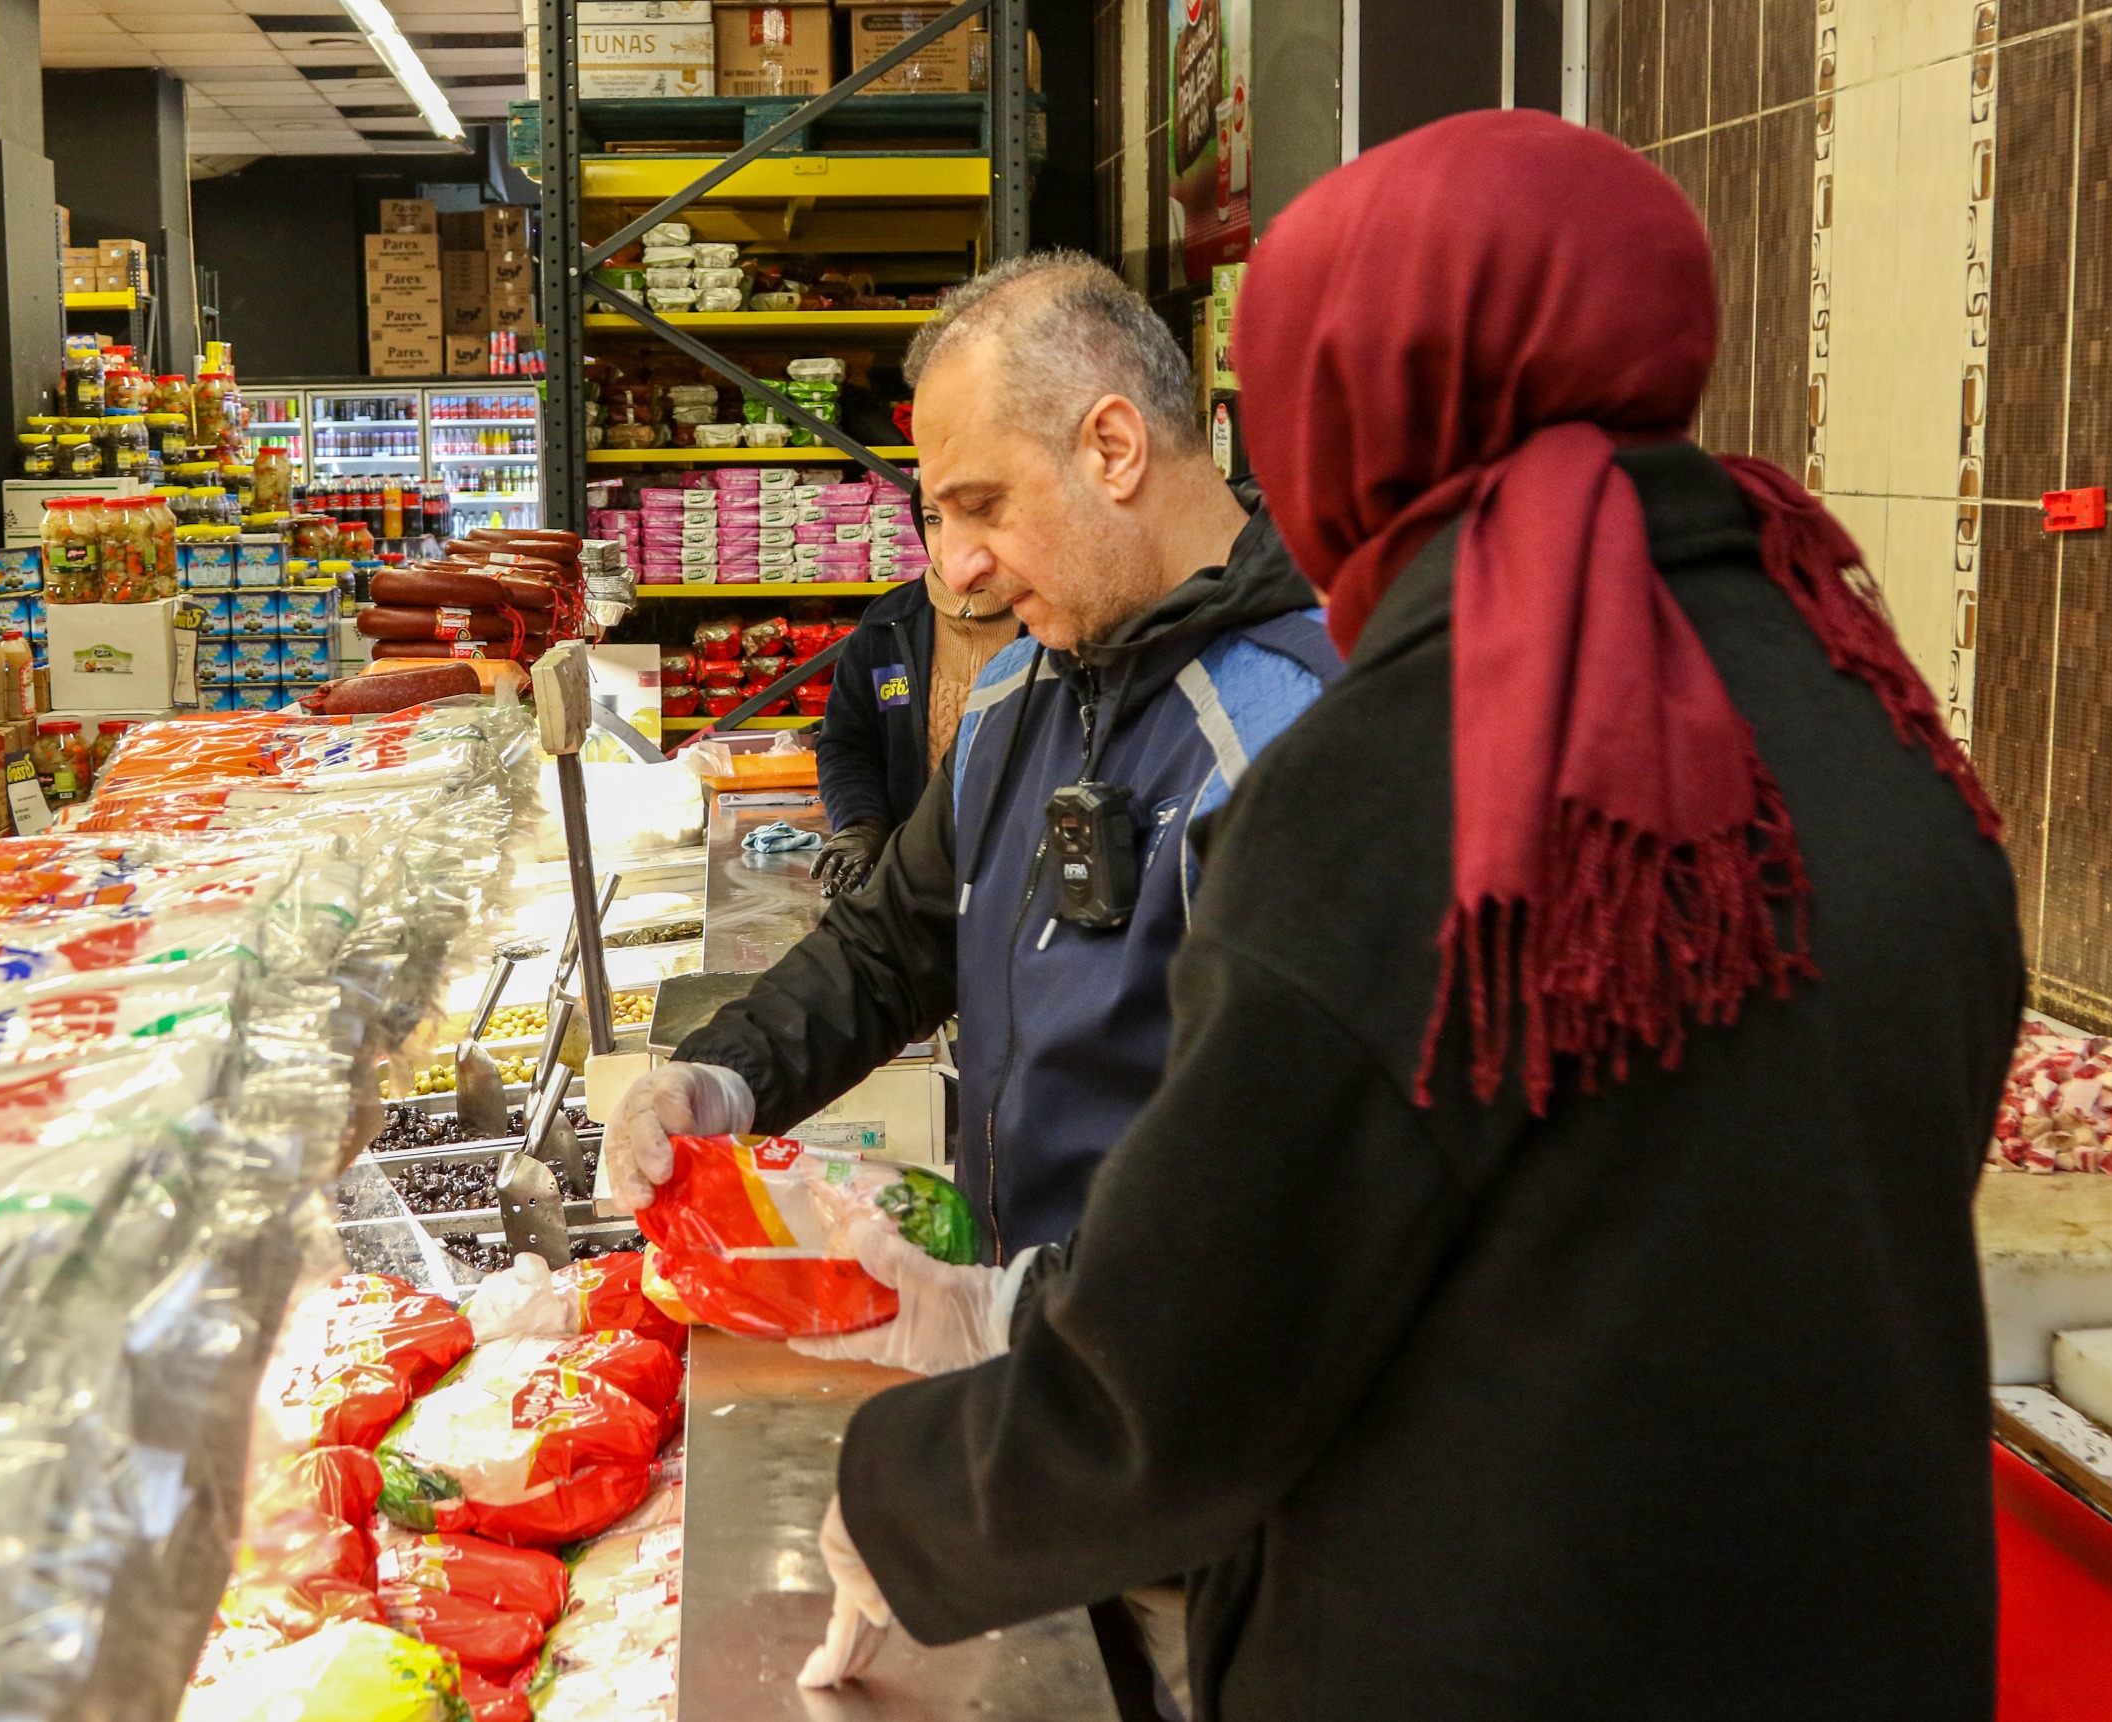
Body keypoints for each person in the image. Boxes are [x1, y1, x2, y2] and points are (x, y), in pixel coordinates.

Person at [781, 111, 2023, 1721]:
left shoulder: (1420, 769)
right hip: (1871, 1636)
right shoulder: (1873, 709)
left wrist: (903, 1494)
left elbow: (1192, 1369)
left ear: (1362, 410)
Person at [609, 251, 1342, 1270]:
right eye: (936, 516)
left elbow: (1306, 1180)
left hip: (1190, 1375)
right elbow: (889, 948)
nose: (953, 567)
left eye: (983, 505)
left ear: (1114, 449)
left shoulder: (1306, 732)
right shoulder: (1021, 694)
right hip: (1048, 1343)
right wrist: (722, 1077)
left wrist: (1022, 1326)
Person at [809, 567, 1022, 896]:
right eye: (933, 519)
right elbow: (848, 745)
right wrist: (862, 823)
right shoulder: (886, 626)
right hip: (912, 887)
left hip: (1024, 885)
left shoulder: (1054, 624)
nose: (951, 540)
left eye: (975, 515)